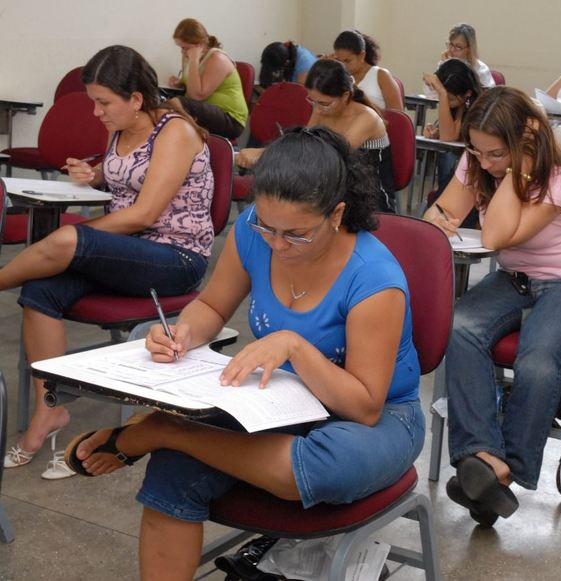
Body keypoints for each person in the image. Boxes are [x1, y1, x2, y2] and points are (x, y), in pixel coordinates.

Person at [63, 127, 424, 581]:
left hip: (378, 414)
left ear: (336, 215)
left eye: (297, 234)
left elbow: (365, 406)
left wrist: (294, 345)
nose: (277, 244)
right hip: (282, 399)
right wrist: (180, 333)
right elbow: (213, 305)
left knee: (325, 468)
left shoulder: (373, 279)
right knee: (173, 471)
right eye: (267, 227)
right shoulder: (254, 231)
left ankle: (166, 431)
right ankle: (170, 438)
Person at [2, 45, 214, 480]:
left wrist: (77, 241)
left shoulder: (175, 131)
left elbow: (145, 212)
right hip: (129, 253)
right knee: (40, 291)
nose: (97, 113)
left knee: (64, 240)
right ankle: (49, 411)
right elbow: (126, 177)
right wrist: (93, 174)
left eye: (104, 102)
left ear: (136, 98)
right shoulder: (121, 127)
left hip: (176, 256)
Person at [423, 87, 561, 526]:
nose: (484, 162)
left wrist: (514, 172)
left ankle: (507, 474)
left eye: (496, 153)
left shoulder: (558, 177)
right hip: (516, 280)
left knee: (538, 357)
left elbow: (495, 237)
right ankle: (483, 458)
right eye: (477, 151)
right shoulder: (478, 160)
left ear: (524, 141)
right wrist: (439, 215)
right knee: (460, 328)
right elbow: (442, 213)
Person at [236, 59, 396, 213]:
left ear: (346, 95)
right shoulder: (323, 107)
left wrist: (266, 154)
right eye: (313, 101)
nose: (318, 109)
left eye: (324, 103)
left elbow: (331, 155)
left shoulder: (367, 118)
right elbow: (307, 144)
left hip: (370, 196)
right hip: (336, 186)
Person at [166, 18, 248, 140]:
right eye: (181, 48)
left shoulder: (217, 58)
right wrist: (178, 82)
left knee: (176, 104)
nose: (182, 52)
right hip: (208, 111)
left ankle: (198, 134)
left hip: (231, 119)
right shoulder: (190, 56)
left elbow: (196, 96)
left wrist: (193, 59)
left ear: (199, 44)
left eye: (185, 48)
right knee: (164, 104)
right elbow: (189, 81)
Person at [422, 58, 483, 195]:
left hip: (478, 177)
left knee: (448, 156)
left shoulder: (480, 108)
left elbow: (449, 137)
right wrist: (435, 132)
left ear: (467, 93)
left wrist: (443, 94)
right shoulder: (459, 105)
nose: (444, 102)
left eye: (450, 99)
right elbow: (450, 134)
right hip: (461, 175)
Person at [331, 30, 402, 111]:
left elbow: (398, 116)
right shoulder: (340, 77)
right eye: (339, 61)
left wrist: (362, 100)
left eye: (348, 61)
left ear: (362, 55)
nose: (344, 66)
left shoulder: (381, 75)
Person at [438, 23, 496, 89]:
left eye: (458, 47)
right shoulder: (445, 63)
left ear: (469, 48)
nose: (451, 50)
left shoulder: (481, 69)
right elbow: (430, 93)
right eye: (451, 44)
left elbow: (489, 97)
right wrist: (442, 67)